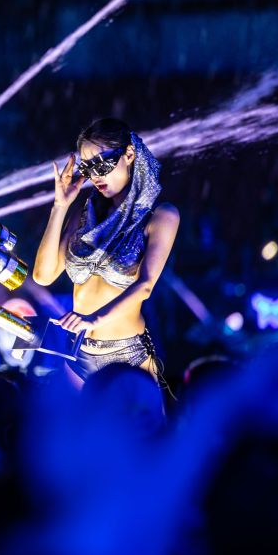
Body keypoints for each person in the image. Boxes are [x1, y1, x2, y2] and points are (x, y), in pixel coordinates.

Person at [33, 118, 180, 383]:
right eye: (88, 167)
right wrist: (60, 206)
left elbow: (145, 286)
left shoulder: (160, 216)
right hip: (77, 352)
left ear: (129, 154)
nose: (96, 175)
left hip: (127, 355)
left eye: (102, 164)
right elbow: (43, 276)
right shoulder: (84, 212)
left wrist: (94, 319)